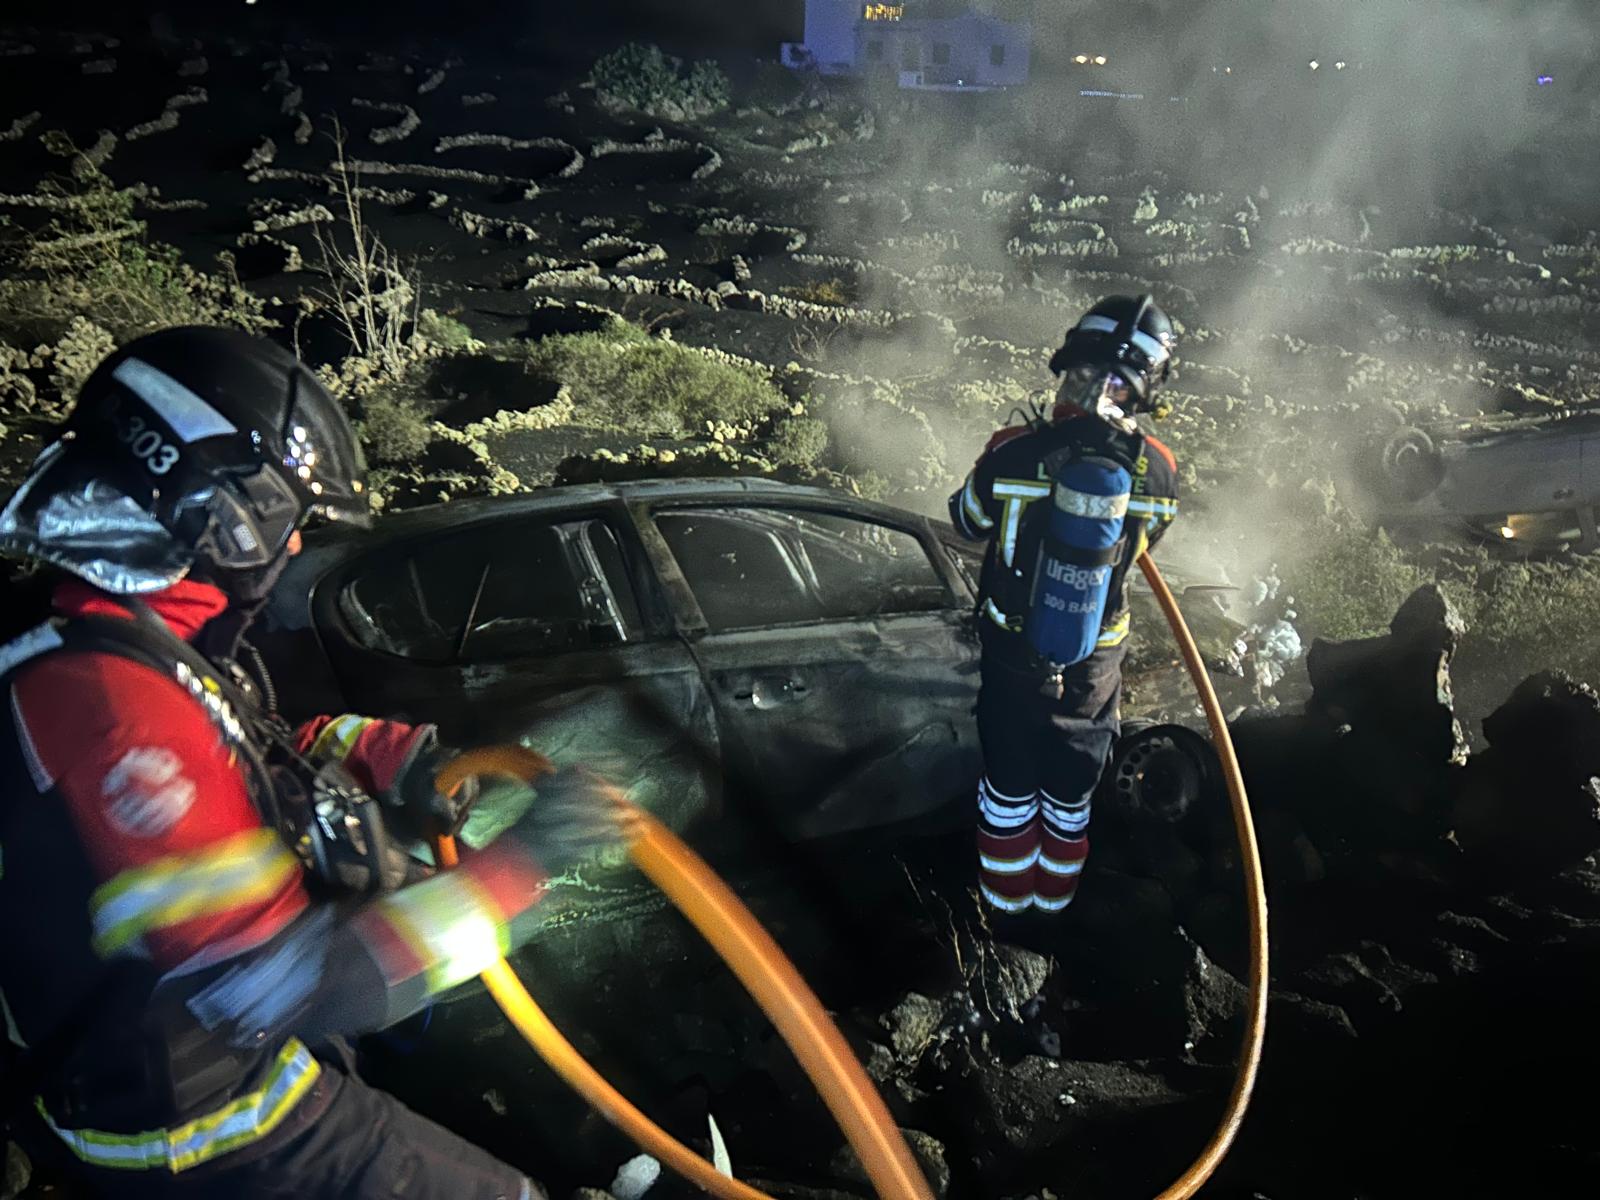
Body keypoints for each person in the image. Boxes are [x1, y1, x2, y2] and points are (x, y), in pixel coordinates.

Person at [0, 327, 616, 1199]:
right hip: (201, 1123)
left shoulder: (106, 635)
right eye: (288, 519)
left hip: (151, 1074)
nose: (292, 549)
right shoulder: (109, 707)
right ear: (217, 510)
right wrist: (522, 871)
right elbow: (282, 986)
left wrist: (393, 757)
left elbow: (244, 743)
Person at [949, 295, 1181, 918]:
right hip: (1096, 663)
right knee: (1071, 788)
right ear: (1145, 388)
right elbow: (1150, 540)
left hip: (1012, 651)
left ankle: (1003, 906)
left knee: (1009, 783)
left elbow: (966, 519)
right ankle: (1054, 911)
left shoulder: (1015, 449)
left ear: (1070, 367)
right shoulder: (1156, 469)